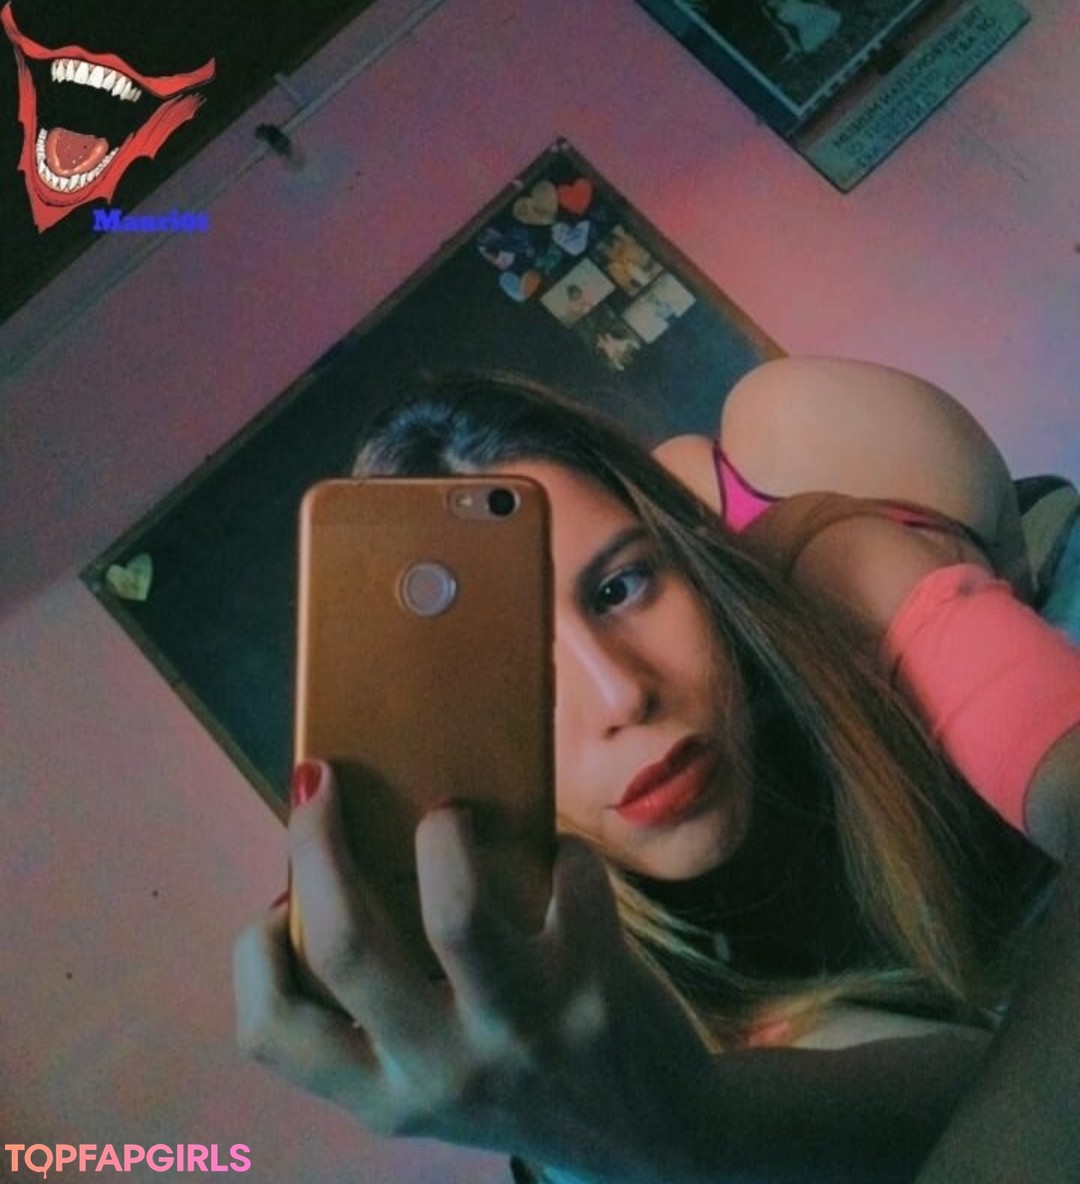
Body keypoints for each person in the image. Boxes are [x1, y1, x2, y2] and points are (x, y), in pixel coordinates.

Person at [233, 362, 1080, 1183]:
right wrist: (683, 1129)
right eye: (511, 674)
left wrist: (702, 1128)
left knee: (780, 410)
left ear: (689, 567)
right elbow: (968, 1093)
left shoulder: (832, 564)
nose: (621, 693)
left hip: (906, 510)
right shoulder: (608, 993)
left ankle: (713, 488)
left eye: (621, 587)